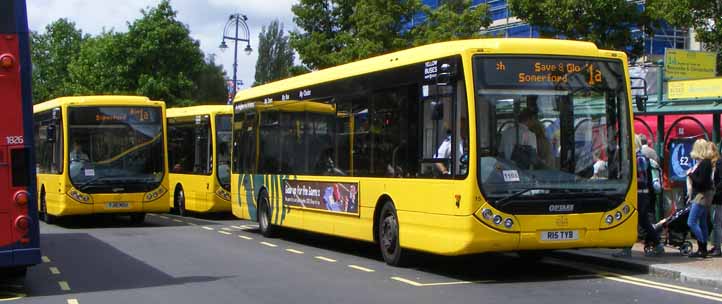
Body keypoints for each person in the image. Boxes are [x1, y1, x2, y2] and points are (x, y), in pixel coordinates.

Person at [613, 134, 664, 257]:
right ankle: (629, 247)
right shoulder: (634, 157)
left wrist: (627, 177)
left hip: (640, 195)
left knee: (641, 221)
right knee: (638, 221)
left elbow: (641, 179)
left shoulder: (639, 158)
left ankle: (655, 245)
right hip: (638, 194)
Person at [686, 138, 715, 258]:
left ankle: (702, 244)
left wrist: (691, 175)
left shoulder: (704, 163)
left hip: (701, 196)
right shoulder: (706, 162)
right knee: (702, 222)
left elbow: (701, 181)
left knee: (691, 222)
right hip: (705, 195)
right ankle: (702, 249)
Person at [710, 142, 722, 257]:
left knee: (717, 223)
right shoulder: (713, 164)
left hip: (719, 197)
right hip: (717, 197)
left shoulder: (719, 163)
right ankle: (716, 245)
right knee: (716, 222)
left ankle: (718, 248)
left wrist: (715, 190)